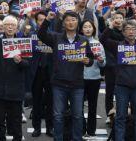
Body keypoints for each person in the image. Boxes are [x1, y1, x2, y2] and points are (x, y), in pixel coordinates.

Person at [38, 11, 94, 141]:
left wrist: (88, 61)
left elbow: (90, 59)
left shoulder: (83, 40)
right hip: (59, 83)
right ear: (64, 23)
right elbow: (41, 35)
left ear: (77, 22)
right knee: (57, 116)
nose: (70, 22)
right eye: (68, 20)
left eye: (73, 20)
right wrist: (47, 19)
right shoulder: (56, 38)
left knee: (78, 116)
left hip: (77, 84)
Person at [0, 15, 30, 141]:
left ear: (17, 28)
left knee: (15, 118)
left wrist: (20, 61)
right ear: (3, 27)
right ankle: (0, 137)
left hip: (15, 86)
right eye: (7, 25)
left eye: (13, 25)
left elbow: (28, 64)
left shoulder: (22, 42)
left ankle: (17, 137)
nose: (10, 27)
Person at [103, 19, 136, 141]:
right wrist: (110, 27)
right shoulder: (118, 46)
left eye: (134, 29)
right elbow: (103, 40)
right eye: (128, 29)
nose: (131, 31)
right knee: (120, 118)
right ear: (123, 32)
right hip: (122, 86)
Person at [29, 11, 54, 138]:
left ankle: (50, 127)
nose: (43, 22)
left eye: (45, 19)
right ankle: (36, 127)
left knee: (50, 101)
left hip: (50, 72)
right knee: (36, 101)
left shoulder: (54, 36)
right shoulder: (31, 36)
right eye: (40, 20)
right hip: (36, 71)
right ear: (36, 21)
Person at [80, 20, 105, 137]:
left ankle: (91, 131)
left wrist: (101, 60)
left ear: (93, 29)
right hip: (79, 78)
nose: (88, 29)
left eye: (90, 27)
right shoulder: (77, 43)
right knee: (78, 106)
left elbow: (103, 63)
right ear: (81, 29)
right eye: (85, 27)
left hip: (94, 78)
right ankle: (81, 129)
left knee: (92, 106)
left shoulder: (98, 44)